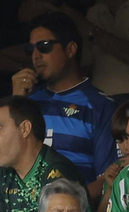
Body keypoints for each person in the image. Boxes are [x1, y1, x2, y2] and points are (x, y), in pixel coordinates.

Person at [11, 12, 115, 188]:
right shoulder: (25, 101)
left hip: (75, 203)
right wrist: (15, 101)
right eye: (30, 49)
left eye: (44, 46)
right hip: (22, 202)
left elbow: (107, 178)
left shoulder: (100, 105)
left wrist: (67, 200)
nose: (35, 55)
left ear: (70, 50)